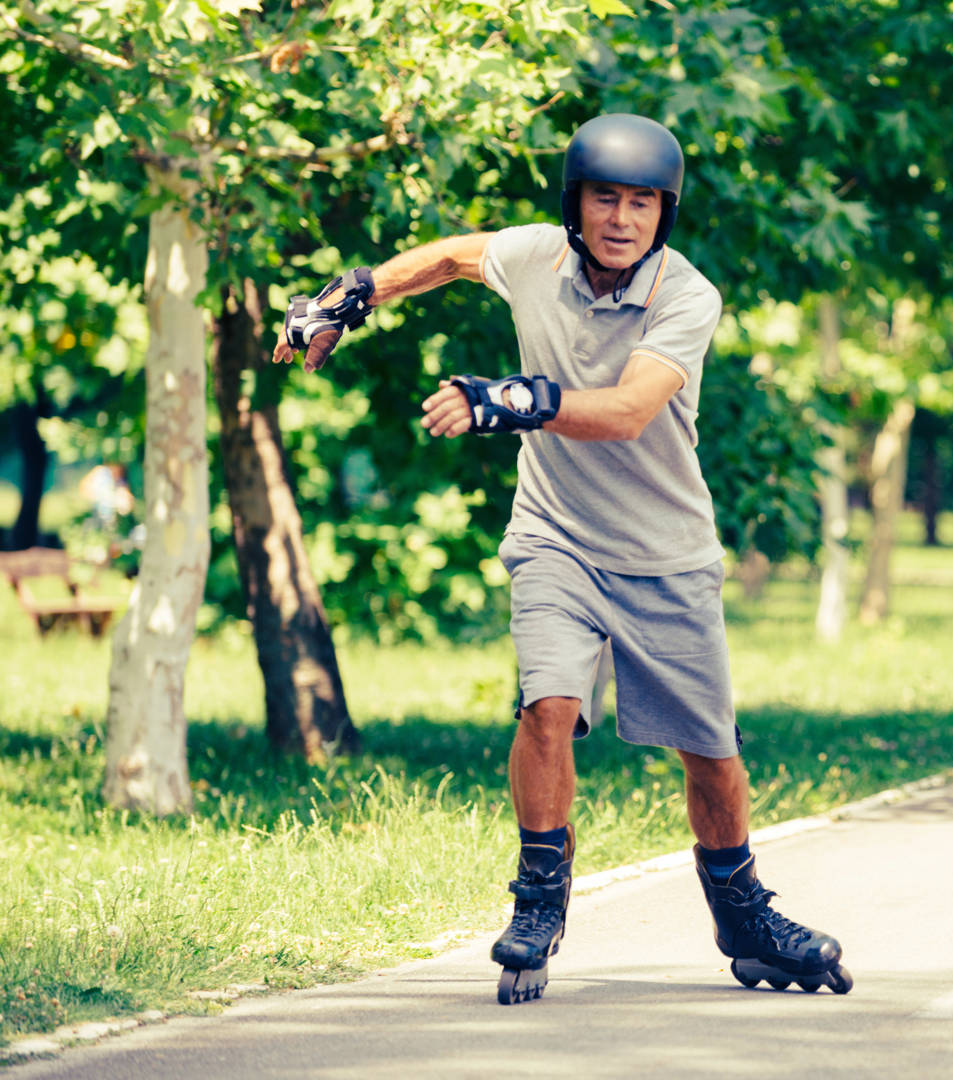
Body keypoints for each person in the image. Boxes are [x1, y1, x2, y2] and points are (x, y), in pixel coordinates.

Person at [272, 113, 851, 1004]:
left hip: (666, 553)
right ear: (574, 204)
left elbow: (626, 411)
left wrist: (506, 398)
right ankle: (539, 899)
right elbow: (454, 257)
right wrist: (350, 295)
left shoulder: (685, 296)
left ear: (666, 213)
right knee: (548, 706)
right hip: (555, 537)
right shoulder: (537, 255)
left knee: (711, 753)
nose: (623, 218)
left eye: (643, 203)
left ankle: (742, 913)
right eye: (605, 198)